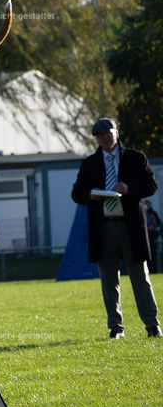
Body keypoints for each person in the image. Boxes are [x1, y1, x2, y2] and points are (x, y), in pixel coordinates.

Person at [71, 117, 161, 340]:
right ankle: (116, 328)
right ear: (96, 138)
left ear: (116, 133)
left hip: (131, 227)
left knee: (140, 277)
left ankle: (153, 326)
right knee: (109, 280)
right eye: (100, 135)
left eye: (108, 133)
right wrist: (91, 194)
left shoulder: (135, 158)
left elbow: (151, 185)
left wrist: (128, 188)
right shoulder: (89, 164)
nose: (104, 137)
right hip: (104, 229)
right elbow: (77, 193)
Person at [146, 202, 161, 274]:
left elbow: (157, 225)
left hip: (152, 238)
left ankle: (154, 271)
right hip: (146, 238)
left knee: (153, 257)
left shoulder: (152, 215)